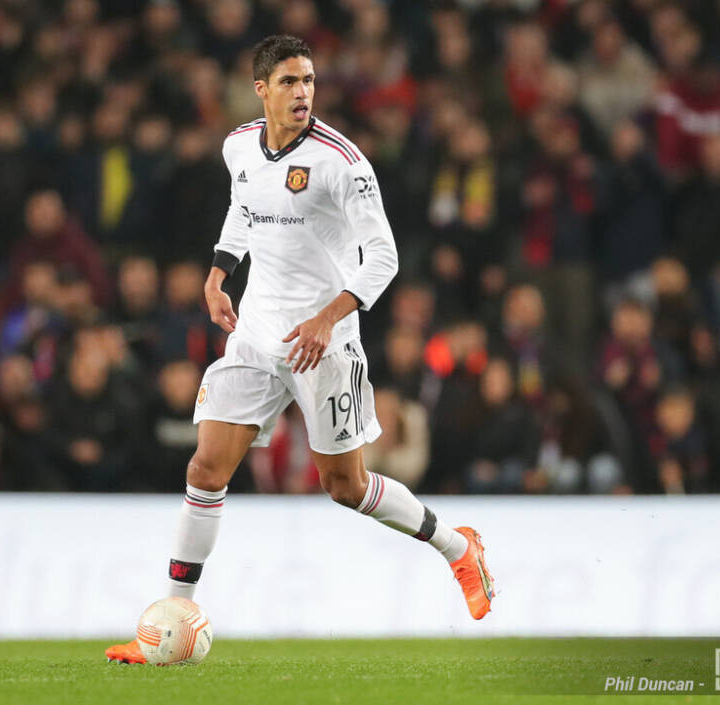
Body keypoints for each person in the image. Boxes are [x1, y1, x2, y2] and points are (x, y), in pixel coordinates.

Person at [106, 35, 495, 665]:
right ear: (261, 90)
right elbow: (244, 208)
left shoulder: (344, 163)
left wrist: (327, 318)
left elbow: (385, 258)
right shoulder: (239, 145)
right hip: (257, 334)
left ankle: (458, 547)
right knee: (206, 468)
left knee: (344, 485)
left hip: (326, 345)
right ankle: (171, 617)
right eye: (289, 82)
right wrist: (218, 271)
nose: (303, 93)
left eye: (309, 81)